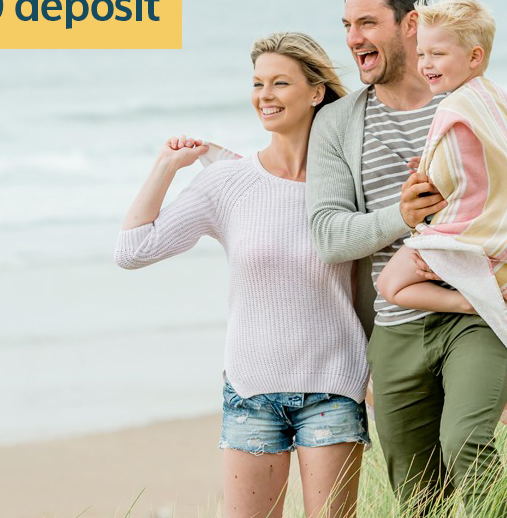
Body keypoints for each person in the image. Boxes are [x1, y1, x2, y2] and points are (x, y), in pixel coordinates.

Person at [115, 32, 369, 518]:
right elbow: (133, 249)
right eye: (257, 84)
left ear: (316, 92)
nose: (264, 96)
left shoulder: (348, 183)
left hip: (334, 384)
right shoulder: (227, 182)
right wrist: (167, 166)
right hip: (251, 389)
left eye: (279, 83)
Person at [306, 0, 507, 515]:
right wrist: (401, 216)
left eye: (368, 22)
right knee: (419, 496)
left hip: (471, 313)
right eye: (348, 24)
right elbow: (328, 235)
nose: (353, 38)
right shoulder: (338, 123)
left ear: (411, 23)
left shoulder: (471, 103)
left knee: (468, 446)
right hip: (394, 330)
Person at [377, 0, 507, 440]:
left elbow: (440, 185)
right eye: (421, 53)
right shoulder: (499, 102)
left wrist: (424, 183)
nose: (425, 63)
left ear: (474, 56)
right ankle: (476, 300)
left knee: (391, 284)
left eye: (438, 53)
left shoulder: (455, 107)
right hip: (498, 233)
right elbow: (499, 174)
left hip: (471, 238)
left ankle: (471, 301)